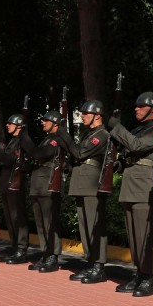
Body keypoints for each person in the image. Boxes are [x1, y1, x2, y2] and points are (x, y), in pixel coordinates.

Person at [106, 92, 153, 297]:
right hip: (131, 185)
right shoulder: (138, 130)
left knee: (146, 234)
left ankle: (149, 278)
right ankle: (140, 273)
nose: (136, 109)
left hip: (145, 188)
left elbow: (137, 146)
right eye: (136, 106)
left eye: (141, 106)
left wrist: (116, 128)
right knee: (134, 234)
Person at [56, 100, 110, 284]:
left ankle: (99, 266)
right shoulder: (90, 134)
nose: (83, 116)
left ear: (97, 115)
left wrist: (65, 135)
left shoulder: (101, 135)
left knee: (95, 225)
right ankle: (90, 261)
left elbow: (80, 153)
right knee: (84, 226)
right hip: (81, 182)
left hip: (92, 183)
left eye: (86, 113)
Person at [20, 111, 63, 273]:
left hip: (48, 184)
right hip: (38, 184)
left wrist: (25, 137)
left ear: (55, 124)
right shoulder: (47, 139)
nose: (43, 123)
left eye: (47, 121)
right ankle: (46, 252)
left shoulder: (56, 140)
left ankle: (53, 255)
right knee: (40, 223)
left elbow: (38, 153)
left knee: (50, 222)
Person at [0, 114, 30, 264]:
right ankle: (16, 246)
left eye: (10, 123)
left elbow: (10, 160)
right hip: (7, 184)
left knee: (17, 217)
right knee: (9, 217)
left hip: (16, 183)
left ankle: (21, 248)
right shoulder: (13, 142)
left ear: (18, 125)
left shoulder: (21, 142)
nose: (7, 125)